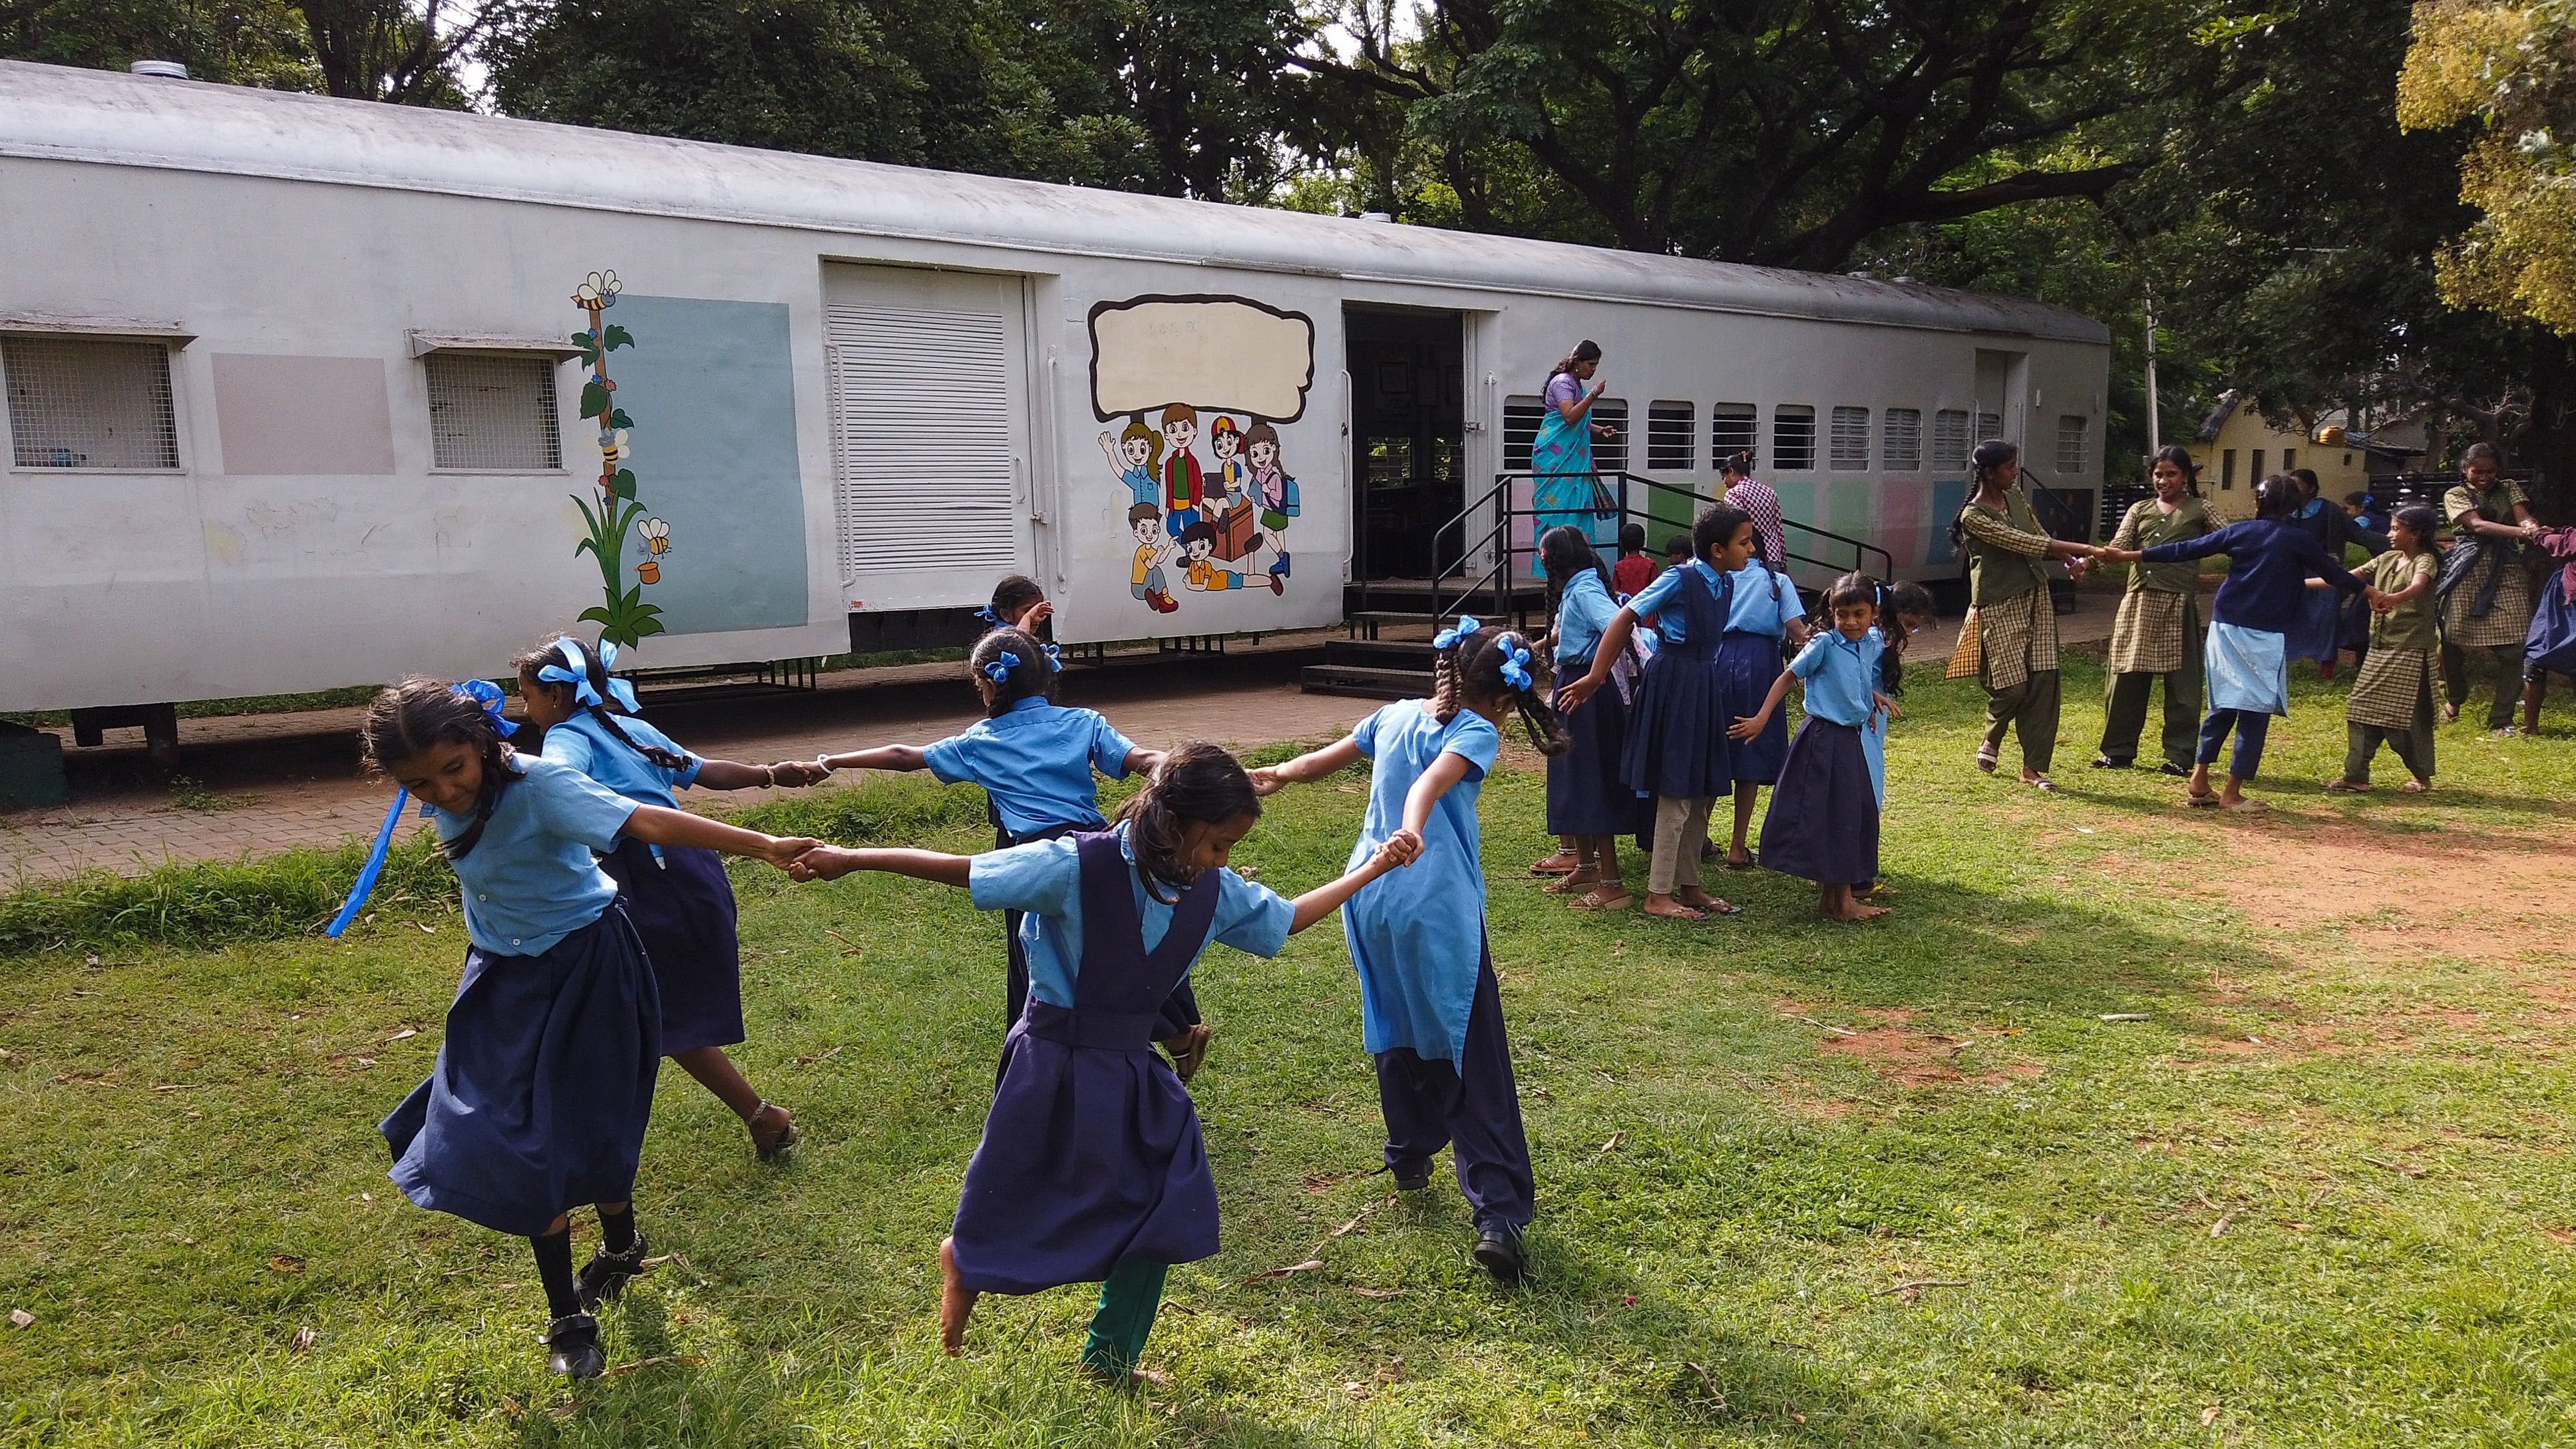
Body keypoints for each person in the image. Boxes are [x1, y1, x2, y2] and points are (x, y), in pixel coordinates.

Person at [785, 745, 1416, 1380]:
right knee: (1020, 1178)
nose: (1222, 861)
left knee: (1167, 1204)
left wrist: (1373, 866)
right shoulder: (1072, 865)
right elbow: (966, 868)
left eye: (1229, 850)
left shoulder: (1209, 890)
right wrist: (854, 857)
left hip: (1131, 1067)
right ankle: (966, 1258)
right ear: (1173, 819)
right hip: (1051, 1057)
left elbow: (1287, 920)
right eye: (1217, 844)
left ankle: (1110, 1358)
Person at [359, 678, 814, 1378]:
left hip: (587, 966)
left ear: (481, 742)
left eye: (454, 770)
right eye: (419, 784)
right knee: (516, 1137)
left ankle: (616, 1248)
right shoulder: (449, 792)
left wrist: (762, 843)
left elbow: (648, 820)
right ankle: (569, 1311)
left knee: (591, 1123)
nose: (445, 792)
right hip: (502, 980)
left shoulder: (540, 786)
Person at [1250, 624, 1563, 1283]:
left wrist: (1273, 772)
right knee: (1467, 1039)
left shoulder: (1391, 716)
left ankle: (1409, 1151)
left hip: (1369, 897)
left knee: (1396, 1020)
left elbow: (1315, 762)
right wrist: (1412, 828)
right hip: (1432, 904)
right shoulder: (1477, 730)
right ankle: (1497, 1211)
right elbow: (1430, 786)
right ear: (1505, 695)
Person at [807, 630, 1216, 1081]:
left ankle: (1067, 1059)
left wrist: (833, 761)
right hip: (1099, 849)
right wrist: (1183, 769)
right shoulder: (1082, 721)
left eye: (978, 684)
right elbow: (1142, 759)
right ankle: (1177, 1028)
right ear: (1046, 677)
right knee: (1129, 938)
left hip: (1036, 859)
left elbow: (905, 755)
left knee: (1050, 961)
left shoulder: (982, 738)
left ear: (988, 684)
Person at [516, 634, 830, 1160]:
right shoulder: (631, 728)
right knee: (647, 1011)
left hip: (647, 879)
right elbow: (705, 771)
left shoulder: (567, 738)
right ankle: (758, 1117)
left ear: (554, 697)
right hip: (693, 869)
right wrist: (772, 773)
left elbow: (557, 783)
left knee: (652, 1013)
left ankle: (756, 1116)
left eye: (525, 696)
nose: (523, 710)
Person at [2100, 475, 2374, 809]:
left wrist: (2131, 557)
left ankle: (2200, 781)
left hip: (2225, 628)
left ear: (2258, 503)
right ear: (2294, 506)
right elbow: (2334, 576)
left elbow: (2184, 550)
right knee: (2255, 713)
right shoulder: (2299, 540)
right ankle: (2231, 793)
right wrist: (2371, 591)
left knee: (2224, 706)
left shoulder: (2240, 532)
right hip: (2265, 634)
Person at [1555, 503, 1750, 921]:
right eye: (1744, 542)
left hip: (1703, 684)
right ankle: (1657, 893)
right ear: (1717, 549)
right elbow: (1624, 616)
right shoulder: (1679, 578)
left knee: (1702, 788)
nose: (1751, 549)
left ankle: (1691, 885)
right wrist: (1594, 676)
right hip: (1673, 684)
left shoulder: (1726, 584)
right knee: (1676, 788)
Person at [1731, 573, 1898, 922]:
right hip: (1822, 739)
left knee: (1852, 812)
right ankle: (1843, 902)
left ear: (1874, 613)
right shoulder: (1823, 644)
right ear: (1833, 613)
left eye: (1859, 614)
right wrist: (1762, 718)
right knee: (1833, 814)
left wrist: (1870, 698)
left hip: (1850, 739)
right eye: (1843, 615)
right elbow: (1787, 676)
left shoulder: (1870, 642)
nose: (1851, 622)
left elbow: (1858, 675)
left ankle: (1834, 899)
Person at [1944, 439, 2097, 789]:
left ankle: (2033, 769)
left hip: (2036, 595)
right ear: (1988, 472)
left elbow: (2037, 533)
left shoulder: (2016, 497)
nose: (2016, 472)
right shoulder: (1974, 516)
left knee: (2043, 680)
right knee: (2012, 686)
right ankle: (1993, 735)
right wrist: (2086, 548)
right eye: (2010, 467)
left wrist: (2070, 562)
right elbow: (2022, 542)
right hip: (2000, 602)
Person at [1531, 527, 1644, 909]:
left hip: (1587, 695)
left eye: (1542, 554)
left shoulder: (1585, 590)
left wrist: (1594, 677)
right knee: (1572, 777)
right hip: (1572, 686)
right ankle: (1586, 865)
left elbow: (1620, 622)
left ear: (1555, 560)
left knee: (1591, 779)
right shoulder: (1576, 588)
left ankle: (1613, 883)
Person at [2095, 447, 2214, 775]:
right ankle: (2117, 751)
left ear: (2186, 477)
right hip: (2138, 602)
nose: (2164, 481)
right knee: (2124, 679)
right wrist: (2090, 563)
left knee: (2183, 687)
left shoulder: (2200, 509)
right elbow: (2118, 546)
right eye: (2158, 474)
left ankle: (2179, 756)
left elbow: (2229, 539)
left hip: (2177, 603)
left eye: (2172, 474)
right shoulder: (2139, 509)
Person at [2328, 505, 2442, 794]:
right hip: (2380, 648)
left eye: (2396, 529)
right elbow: (2346, 578)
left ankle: (2419, 776)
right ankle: (2356, 775)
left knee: (2400, 719)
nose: (2390, 534)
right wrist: (2299, 583)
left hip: (2410, 649)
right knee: (2362, 711)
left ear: (2415, 534)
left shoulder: (2426, 561)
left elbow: (2418, 586)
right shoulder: (2387, 559)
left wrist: (2395, 598)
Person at [1714, 532, 1809, 871]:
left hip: (1719, 658)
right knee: (1750, 750)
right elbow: (1796, 629)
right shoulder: (1777, 581)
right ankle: (1737, 846)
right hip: (1761, 662)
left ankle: (1697, 838)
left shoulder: (1720, 578)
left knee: (1716, 747)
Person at [2440, 442, 2543, 733]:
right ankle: (2454, 699)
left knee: (2514, 647)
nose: (2484, 477)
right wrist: (2525, 533)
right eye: (2477, 471)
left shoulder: (2509, 487)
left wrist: (2531, 526)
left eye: (2491, 471)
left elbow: (2523, 516)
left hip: (2506, 566)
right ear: (2465, 470)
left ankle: (2501, 719)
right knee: (2451, 639)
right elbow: (2478, 526)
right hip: (2467, 566)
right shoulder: (2456, 494)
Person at [2283, 468, 2386, 682]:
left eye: (2299, 485)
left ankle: (2327, 663)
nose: (2294, 490)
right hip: (2292, 572)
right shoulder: (2284, 511)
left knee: (2328, 612)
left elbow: (2360, 535)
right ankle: (2287, 662)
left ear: (2312, 488)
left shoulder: (2329, 511)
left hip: (2325, 572)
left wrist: (2393, 545)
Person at [1531, 340, 1619, 556]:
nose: (1593, 369)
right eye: (1590, 364)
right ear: (1577, 362)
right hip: (1555, 457)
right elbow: (1569, 417)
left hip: (1574, 459)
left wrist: (1599, 431)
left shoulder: (1577, 384)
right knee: (1557, 509)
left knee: (1579, 505)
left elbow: (1578, 421)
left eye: (1596, 365)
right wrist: (1594, 395)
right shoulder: (1563, 383)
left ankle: (1577, 561)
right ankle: (1552, 564)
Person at [2521, 520, 2576, 733]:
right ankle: (2530, 727)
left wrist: (2538, 534)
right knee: (2536, 658)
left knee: (2536, 657)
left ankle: (2530, 727)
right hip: (2562, 601)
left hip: (2565, 604)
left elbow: (2564, 544)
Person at [1719, 451, 1787, 572]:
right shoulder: (1770, 492)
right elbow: (1778, 529)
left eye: (1724, 476)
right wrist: (1783, 560)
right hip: (1773, 554)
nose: (1724, 483)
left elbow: (1736, 526)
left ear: (1731, 472)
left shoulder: (1734, 494)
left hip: (1749, 556)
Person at [982, 574, 1053, 637]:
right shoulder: (1001, 640)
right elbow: (1019, 644)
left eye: (1037, 610)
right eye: (1028, 611)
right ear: (1006, 615)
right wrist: (1028, 618)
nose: (1036, 617)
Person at [1610, 520, 1658, 598]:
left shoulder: (1619, 566)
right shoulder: (1650, 564)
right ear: (1642, 542)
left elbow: (1616, 591)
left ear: (1622, 544)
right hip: (1646, 606)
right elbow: (1656, 589)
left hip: (1626, 606)